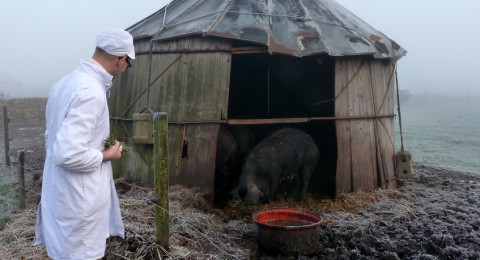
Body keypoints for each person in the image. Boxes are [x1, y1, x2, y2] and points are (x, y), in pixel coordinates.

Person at [34, 28, 135, 260]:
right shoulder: (90, 91)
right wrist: (106, 155)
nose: (126, 68)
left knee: (64, 252)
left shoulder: (64, 83)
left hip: (62, 191)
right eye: (129, 63)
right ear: (121, 59)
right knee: (80, 254)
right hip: (79, 198)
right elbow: (67, 154)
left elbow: (52, 139)